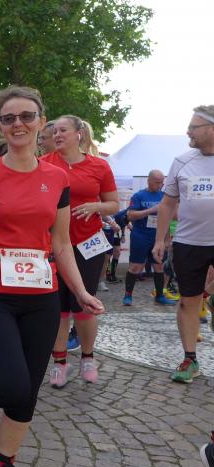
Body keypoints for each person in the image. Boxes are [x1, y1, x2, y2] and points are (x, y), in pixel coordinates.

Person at [0, 86, 104, 467]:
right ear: (0, 126)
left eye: (27, 116)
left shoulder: (57, 178)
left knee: (27, 393)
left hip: (41, 294)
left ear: (41, 123)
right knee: (11, 386)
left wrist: (80, 292)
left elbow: (62, 243)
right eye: (9, 118)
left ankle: (2, 465)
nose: (18, 124)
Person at [41, 114, 119, 388]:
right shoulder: (43, 164)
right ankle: (60, 363)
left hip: (88, 245)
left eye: (63, 130)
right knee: (58, 308)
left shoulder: (99, 165)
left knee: (84, 306)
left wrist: (96, 207)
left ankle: (88, 357)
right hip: (52, 245)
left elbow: (113, 204)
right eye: (54, 131)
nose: (57, 135)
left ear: (79, 134)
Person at [152, 105, 214, 384]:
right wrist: (160, 239)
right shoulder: (182, 161)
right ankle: (190, 359)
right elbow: (167, 203)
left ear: (211, 129)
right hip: (189, 243)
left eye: (193, 127)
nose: (188, 132)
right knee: (189, 300)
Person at [122, 170, 176, 306]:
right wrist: (151, 210)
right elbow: (130, 215)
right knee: (136, 267)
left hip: (157, 236)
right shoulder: (138, 196)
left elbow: (168, 218)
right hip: (140, 235)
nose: (160, 185)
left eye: (162, 183)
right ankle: (128, 295)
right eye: (157, 182)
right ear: (149, 181)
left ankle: (160, 295)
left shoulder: (164, 196)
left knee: (159, 266)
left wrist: (167, 238)